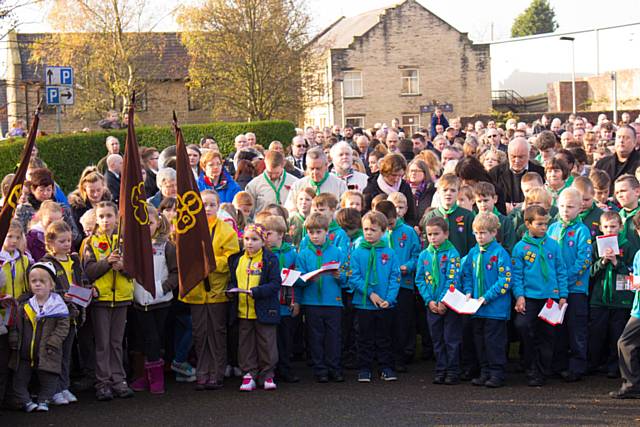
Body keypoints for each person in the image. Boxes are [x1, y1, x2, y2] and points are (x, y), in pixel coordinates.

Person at [179, 190, 239, 391]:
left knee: (216, 333)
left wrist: (210, 263)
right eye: (204, 204)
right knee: (200, 333)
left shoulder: (225, 231)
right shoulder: (189, 230)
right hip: (197, 291)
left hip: (216, 290)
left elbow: (232, 259)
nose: (208, 208)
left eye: (212, 204)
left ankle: (217, 372)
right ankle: (202, 372)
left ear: (218, 206)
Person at [82, 201, 134, 400]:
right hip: (101, 299)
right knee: (102, 343)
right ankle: (102, 382)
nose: (105, 220)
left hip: (121, 298)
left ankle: (118, 379)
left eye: (109, 216)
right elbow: (89, 270)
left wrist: (123, 267)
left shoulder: (125, 241)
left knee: (116, 342)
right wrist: (107, 262)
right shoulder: (90, 243)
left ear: (116, 218)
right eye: (101, 216)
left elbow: (134, 272)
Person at [512, 205, 568, 387]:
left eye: (546, 224)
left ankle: (541, 371)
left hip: (550, 297)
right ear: (528, 224)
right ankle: (530, 366)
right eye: (539, 224)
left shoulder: (553, 244)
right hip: (530, 297)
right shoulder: (520, 248)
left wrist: (563, 294)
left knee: (548, 335)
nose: (544, 227)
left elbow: (560, 269)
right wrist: (519, 296)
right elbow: (517, 275)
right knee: (523, 326)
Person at [9, 262, 70, 412]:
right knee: (19, 381)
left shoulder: (58, 306)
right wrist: (15, 340)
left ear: (51, 285)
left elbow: (63, 327)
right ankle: (27, 402)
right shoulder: (25, 306)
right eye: (33, 281)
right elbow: (16, 326)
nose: (37, 284)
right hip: (25, 353)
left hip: (48, 351)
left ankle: (44, 401)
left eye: (42, 281)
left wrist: (53, 342)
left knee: (49, 378)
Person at [129, 207, 177, 395]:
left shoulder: (166, 246)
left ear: (158, 223)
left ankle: (156, 377)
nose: (146, 226)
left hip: (161, 300)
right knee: (142, 338)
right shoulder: (131, 246)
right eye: (142, 223)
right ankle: (143, 375)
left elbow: (175, 272)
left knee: (155, 337)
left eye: (149, 223)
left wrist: (162, 288)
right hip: (139, 301)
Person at [461, 213, 512, 388]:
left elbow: (505, 280)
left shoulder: (500, 253)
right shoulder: (473, 252)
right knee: (480, 341)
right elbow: (467, 274)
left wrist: (487, 297)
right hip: (477, 309)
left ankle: (497, 373)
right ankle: (484, 372)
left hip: (495, 309)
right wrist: (468, 291)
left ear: (494, 233)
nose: (479, 237)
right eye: (476, 233)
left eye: (483, 233)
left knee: (494, 343)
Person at [349, 211, 400, 382]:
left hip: (385, 304)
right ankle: (365, 368)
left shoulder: (390, 253)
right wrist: (370, 294)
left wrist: (389, 299)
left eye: (373, 229)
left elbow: (395, 277)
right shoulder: (357, 252)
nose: (368, 233)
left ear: (383, 231)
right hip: (364, 304)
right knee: (364, 338)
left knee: (384, 337)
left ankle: (386, 367)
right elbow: (354, 277)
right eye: (366, 229)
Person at [228, 224, 280, 391]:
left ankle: (267, 374)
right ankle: (248, 374)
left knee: (267, 343)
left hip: (264, 310)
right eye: (247, 239)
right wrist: (230, 290)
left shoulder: (269, 259)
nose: (249, 243)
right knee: (245, 344)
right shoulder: (237, 259)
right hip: (243, 310)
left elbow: (275, 284)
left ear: (263, 241)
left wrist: (257, 292)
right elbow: (233, 281)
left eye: (255, 239)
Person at [40, 220, 86, 405]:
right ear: (50, 243)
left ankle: (64, 386)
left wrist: (88, 291)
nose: (66, 244)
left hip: (73, 315)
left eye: (68, 240)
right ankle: (54, 390)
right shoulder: (46, 263)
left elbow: (82, 281)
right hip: (56, 317)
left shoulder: (74, 260)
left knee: (66, 355)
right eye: (62, 241)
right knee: (55, 354)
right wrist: (62, 295)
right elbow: (44, 289)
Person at [295, 213, 345, 383]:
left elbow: (347, 276)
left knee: (334, 337)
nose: (315, 236)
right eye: (311, 232)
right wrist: (307, 278)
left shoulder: (337, 252)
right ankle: (320, 369)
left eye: (318, 232)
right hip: (312, 302)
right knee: (315, 338)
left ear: (326, 232)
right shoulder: (303, 254)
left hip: (333, 302)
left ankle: (334, 368)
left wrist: (340, 276)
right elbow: (298, 279)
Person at [415, 216, 462, 385]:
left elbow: (453, 279)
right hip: (432, 305)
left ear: (446, 234)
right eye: (429, 234)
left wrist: (443, 301)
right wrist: (429, 301)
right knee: (437, 339)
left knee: (451, 339)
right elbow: (420, 279)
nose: (433, 237)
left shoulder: (452, 254)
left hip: (449, 305)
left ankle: (453, 370)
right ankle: (440, 369)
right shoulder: (424, 255)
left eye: (436, 233)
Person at [374, 201, 420, 372]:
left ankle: (400, 358)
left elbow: (417, 256)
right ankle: (384, 358)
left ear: (396, 216)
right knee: (384, 323)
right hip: (383, 286)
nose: (388, 228)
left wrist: (407, 266)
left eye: (390, 224)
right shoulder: (379, 234)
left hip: (403, 285)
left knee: (401, 323)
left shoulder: (408, 232)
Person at [588, 211, 634, 378]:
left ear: (620, 227)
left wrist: (616, 263)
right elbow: (590, 273)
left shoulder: (627, 246)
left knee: (617, 333)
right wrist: (602, 263)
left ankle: (614, 366)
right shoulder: (595, 246)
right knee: (597, 333)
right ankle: (594, 363)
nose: (609, 230)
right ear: (600, 228)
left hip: (620, 300)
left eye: (613, 226)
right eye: (606, 227)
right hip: (599, 299)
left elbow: (631, 273)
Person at [261, 215, 300, 383]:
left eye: (269, 233)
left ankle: (285, 369)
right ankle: (271, 370)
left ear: (280, 234)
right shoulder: (263, 253)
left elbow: (298, 277)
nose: (266, 238)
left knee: (286, 339)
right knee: (270, 339)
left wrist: (296, 301)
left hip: (286, 302)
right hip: (270, 303)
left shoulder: (291, 252)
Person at [610, 211, 640, 399]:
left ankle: (632, 385)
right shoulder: (637, 254)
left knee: (625, 342)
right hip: (637, 308)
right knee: (626, 342)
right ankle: (632, 384)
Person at [421, 174, 476, 257]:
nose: (448, 193)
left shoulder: (467, 216)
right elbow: (426, 247)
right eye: (445, 190)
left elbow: (472, 246)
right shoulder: (430, 217)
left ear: (458, 193)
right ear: (438, 192)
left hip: (461, 264)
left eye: (453, 190)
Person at [489, 137, 545, 213]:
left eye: (521, 157)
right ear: (508, 155)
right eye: (513, 156)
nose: (517, 160)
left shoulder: (540, 172)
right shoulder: (495, 173)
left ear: (528, 154)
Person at [285, 148, 347, 214]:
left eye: (318, 168)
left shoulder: (339, 185)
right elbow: (289, 207)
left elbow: (344, 210)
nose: (315, 172)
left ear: (326, 165)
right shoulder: (298, 185)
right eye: (311, 169)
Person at [363, 154, 417, 226]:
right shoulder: (371, 188)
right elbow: (364, 213)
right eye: (393, 175)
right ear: (385, 172)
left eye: (400, 176)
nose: (396, 179)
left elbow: (411, 215)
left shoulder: (405, 187)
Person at [245, 150, 298, 214]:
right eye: (270, 173)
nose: (273, 176)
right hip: (263, 223)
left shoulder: (295, 183)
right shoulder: (253, 185)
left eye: (277, 173)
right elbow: (249, 213)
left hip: (287, 222)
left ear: (283, 164)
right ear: (265, 163)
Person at [595, 126, 640, 195]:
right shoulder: (602, 164)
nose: (621, 141)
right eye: (619, 137)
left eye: (626, 138)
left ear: (634, 142)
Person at [473, 182, 517, 253]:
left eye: (486, 200)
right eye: (479, 201)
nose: (483, 204)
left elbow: (510, 247)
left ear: (495, 199)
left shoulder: (505, 221)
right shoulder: (473, 220)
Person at [68, 169, 112, 237]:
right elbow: (76, 233)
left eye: (98, 190)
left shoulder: (109, 204)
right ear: (84, 188)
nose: (95, 194)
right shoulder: (77, 207)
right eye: (92, 191)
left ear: (103, 187)